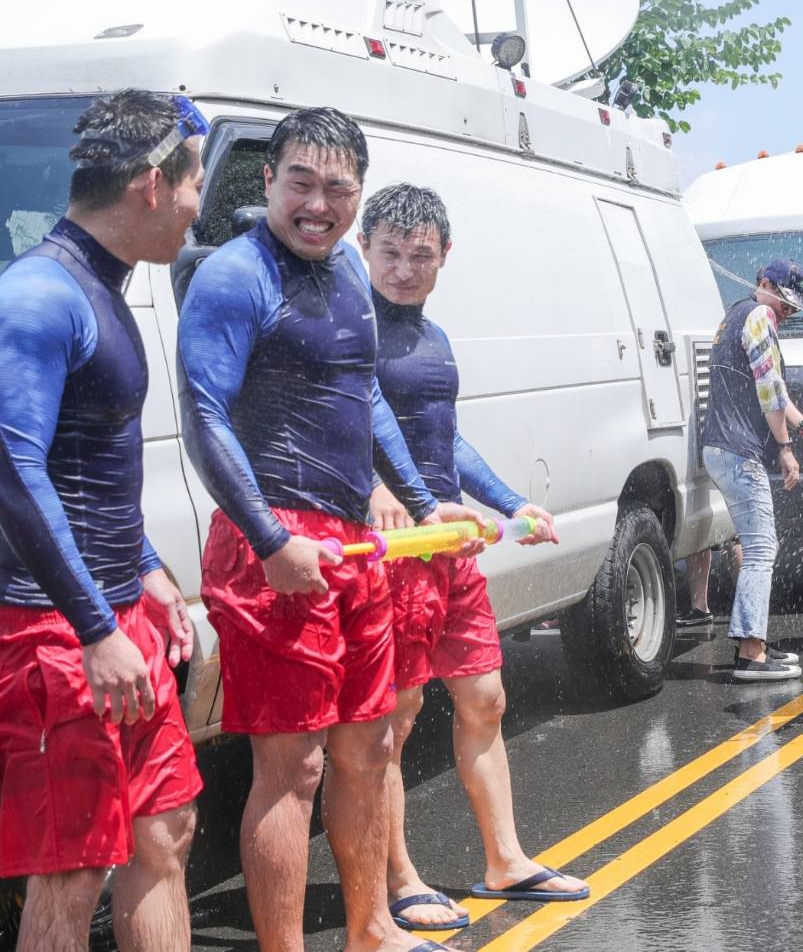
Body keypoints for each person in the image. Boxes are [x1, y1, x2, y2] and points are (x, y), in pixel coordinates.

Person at [178, 107, 480, 952]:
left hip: (351, 541)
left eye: (338, 188)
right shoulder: (234, 276)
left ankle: (371, 929)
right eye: (300, 184)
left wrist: (423, 502)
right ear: (267, 180)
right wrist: (270, 540)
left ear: (358, 192)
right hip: (273, 542)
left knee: (370, 747)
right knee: (294, 766)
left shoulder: (348, 267)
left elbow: (366, 395)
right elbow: (204, 417)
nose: (318, 205)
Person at [0, 90, 205, 951]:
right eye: (195, 185)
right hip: (54, 630)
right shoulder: (39, 294)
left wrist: (146, 568)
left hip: (115, 610)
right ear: (153, 185)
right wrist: (93, 627)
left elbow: (87, 467)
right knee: (72, 869)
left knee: (165, 829)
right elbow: (14, 471)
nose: (197, 210)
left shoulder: (102, 287)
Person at [352, 183, 585, 928]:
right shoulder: (350, 330)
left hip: (450, 546)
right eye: (390, 253)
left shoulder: (436, 339)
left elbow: (445, 439)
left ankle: (504, 860)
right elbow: (342, 432)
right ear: (363, 248)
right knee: (393, 720)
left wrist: (512, 502)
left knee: (486, 699)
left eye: (420, 255)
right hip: (394, 551)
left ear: (445, 255)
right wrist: (387, 496)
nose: (404, 270)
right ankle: (400, 879)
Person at [699, 259, 803, 681]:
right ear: (764, 284)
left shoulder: (736, 314)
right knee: (761, 548)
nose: (787, 312)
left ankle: (752, 641)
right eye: (785, 302)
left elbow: (774, 388)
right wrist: (786, 447)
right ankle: (751, 654)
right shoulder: (760, 315)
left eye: (793, 307)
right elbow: (770, 391)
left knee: (756, 546)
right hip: (737, 450)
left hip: (720, 446)